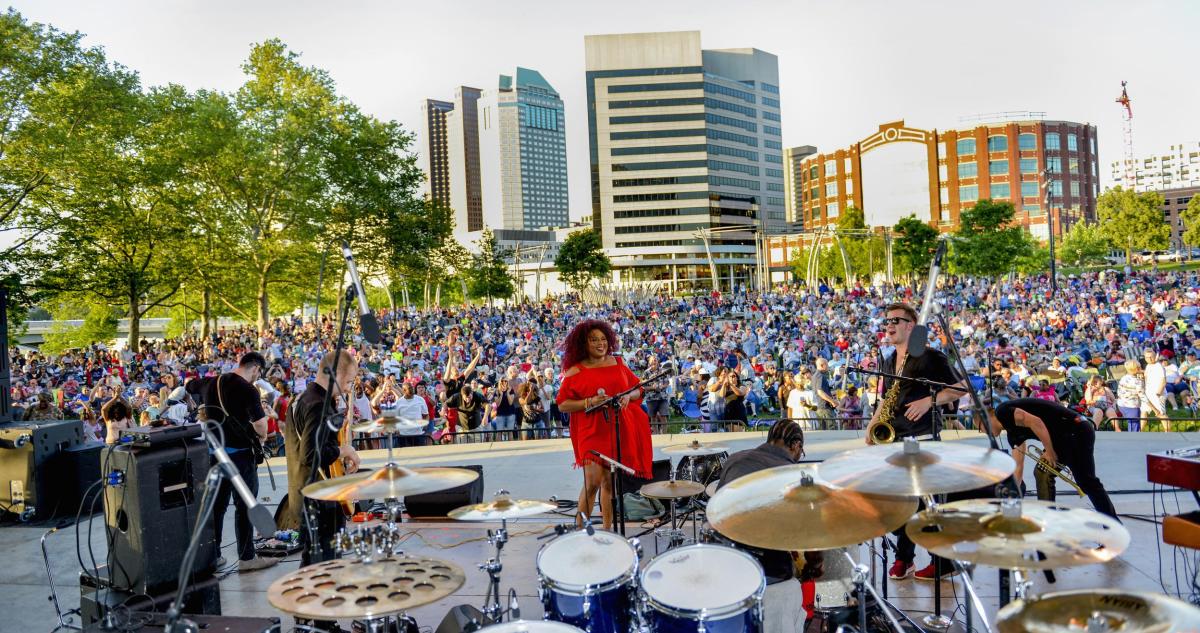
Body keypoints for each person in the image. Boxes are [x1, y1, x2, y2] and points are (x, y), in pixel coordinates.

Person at [871, 303, 966, 581]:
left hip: (923, 438)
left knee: (927, 505)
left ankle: (943, 561)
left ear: (911, 326)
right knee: (900, 503)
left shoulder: (929, 356)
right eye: (886, 321)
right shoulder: (888, 360)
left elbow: (960, 388)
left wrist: (929, 401)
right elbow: (884, 400)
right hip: (896, 438)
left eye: (896, 320)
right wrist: (872, 425)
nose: (889, 325)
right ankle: (905, 558)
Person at [555, 319, 653, 530]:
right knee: (592, 483)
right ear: (584, 344)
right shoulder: (575, 371)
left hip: (615, 429)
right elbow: (562, 404)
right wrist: (588, 402)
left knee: (609, 484)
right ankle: (580, 530)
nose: (600, 343)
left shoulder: (618, 364)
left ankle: (607, 531)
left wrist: (629, 396)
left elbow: (639, 390)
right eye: (593, 340)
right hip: (590, 432)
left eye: (603, 339)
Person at [185, 352, 277, 572]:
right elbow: (261, 425)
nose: (257, 376)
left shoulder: (210, 382)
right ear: (255, 368)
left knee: (217, 507)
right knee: (245, 505)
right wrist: (261, 438)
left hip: (215, 455)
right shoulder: (248, 389)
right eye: (258, 373)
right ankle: (247, 558)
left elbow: (188, 386)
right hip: (241, 456)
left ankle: (213, 556)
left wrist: (195, 405)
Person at [716, 419, 808, 633]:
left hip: (722, 557)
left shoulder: (735, 459)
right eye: (800, 451)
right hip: (766, 571)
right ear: (795, 446)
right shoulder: (791, 473)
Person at [277, 349, 362, 565]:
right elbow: (310, 455)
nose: (347, 388)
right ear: (334, 374)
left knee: (316, 562)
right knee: (324, 564)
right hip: (319, 499)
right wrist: (344, 451)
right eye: (348, 381)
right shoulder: (318, 405)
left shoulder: (302, 399)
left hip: (304, 491)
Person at [988, 398, 1119, 520]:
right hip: (1065, 435)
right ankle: (1048, 519)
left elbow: (1036, 422)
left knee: (1088, 483)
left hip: (1074, 430)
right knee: (1043, 473)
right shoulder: (1013, 434)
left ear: (987, 418)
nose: (983, 432)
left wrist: (1049, 451)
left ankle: (1113, 532)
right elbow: (1018, 468)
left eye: (980, 426)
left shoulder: (1002, 412)